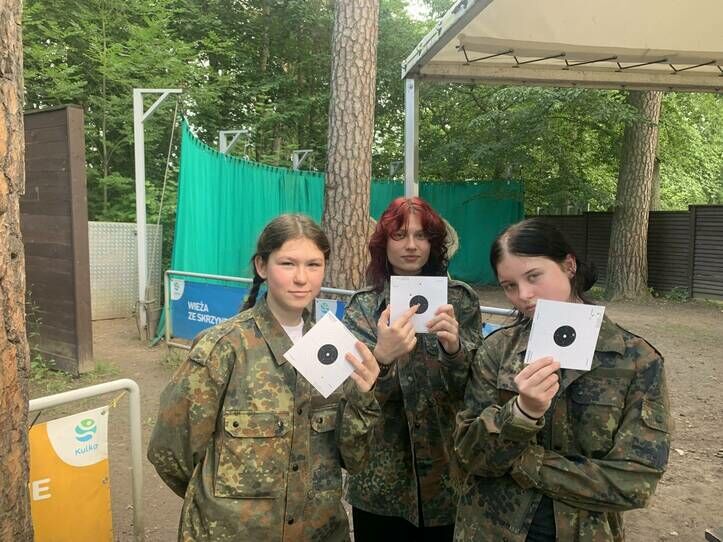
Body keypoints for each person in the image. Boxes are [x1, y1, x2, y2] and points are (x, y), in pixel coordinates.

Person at [148, 214, 382, 542]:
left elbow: (353, 459)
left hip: (318, 533)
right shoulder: (224, 348)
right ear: (262, 266)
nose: (301, 278)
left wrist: (363, 396)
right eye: (287, 263)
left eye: (313, 265)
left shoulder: (336, 350)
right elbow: (170, 451)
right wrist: (222, 506)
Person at [453, 218, 672, 541]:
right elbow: (468, 454)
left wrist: (525, 462)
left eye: (534, 276)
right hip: (490, 529)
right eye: (509, 285)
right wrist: (522, 414)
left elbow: (635, 483)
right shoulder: (497, 350)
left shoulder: (637, 360)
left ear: (569, 265)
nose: (524, 295)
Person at [342, 196, 482, 541]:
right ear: (384, 242)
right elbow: (353, 396)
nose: (411, 245)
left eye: (421, 236)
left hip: (447, 479)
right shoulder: (364, 306)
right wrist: (382, 357)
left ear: (434, 243)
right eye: (400, 235)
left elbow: (475, 391)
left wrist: (454, 350)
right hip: (380, 483)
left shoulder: (460, 300)